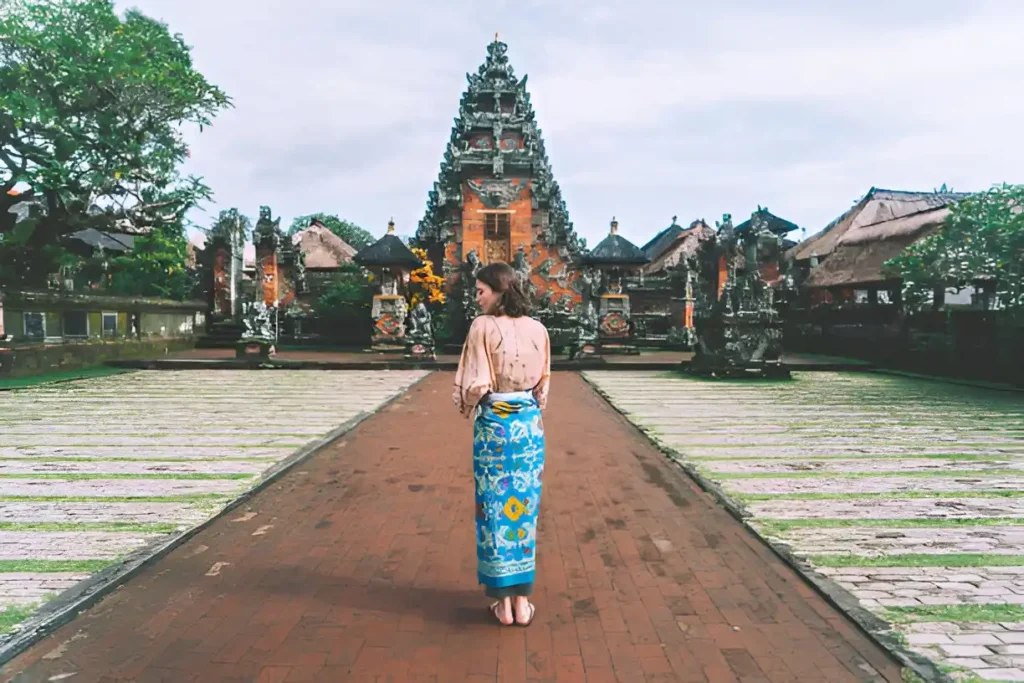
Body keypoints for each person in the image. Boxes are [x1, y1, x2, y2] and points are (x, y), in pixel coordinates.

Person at [453, 261, 551, 627]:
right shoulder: (538, 329)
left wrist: (470, 401)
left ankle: (503, 604)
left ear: (499, 290)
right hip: (528, 427)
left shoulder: (483, 326)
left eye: (481, 291)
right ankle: (522, 602)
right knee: (524, 508)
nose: (477, 298)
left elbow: (474, 383)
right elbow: (543, 386)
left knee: (493, 509)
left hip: (494, 427)